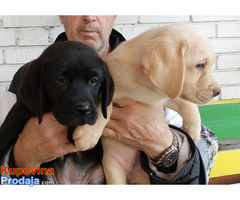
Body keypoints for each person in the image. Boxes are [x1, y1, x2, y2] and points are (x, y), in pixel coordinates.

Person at [0, 15, 218, 184]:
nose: (89, 16)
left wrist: (164, 146)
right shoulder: (29, 77)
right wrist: (21, 158)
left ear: (114, 13)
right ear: (61, 14)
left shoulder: (158, 67)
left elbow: (204, 163)